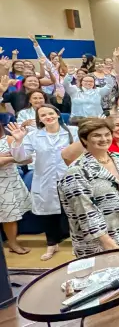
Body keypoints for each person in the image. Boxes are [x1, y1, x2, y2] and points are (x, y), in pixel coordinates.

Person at [58, 118, 119, 257]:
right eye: (96, 135)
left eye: (107, 134)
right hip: (99, 241)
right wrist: (107, 242)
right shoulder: (77, 171)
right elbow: (85, 212)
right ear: (84, 139)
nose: (104, 139)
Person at [8, 105, 76, 260]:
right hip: (45, 181)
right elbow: (20, 158)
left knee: (74, 213)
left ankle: (77, 243)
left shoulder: (72, 132)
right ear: (40, 119)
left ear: (58, 115)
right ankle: (52, 245)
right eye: (43, 115)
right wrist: (18, 141)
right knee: (48, 216)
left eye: (51, 113)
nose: (48, 117)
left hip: (70, 178)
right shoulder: (34, 135)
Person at [0, 123, 32, 254]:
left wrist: (5, 158)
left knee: (10, 216)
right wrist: (12, 158)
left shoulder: (8, 139)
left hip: (9, 183)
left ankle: (12, 243)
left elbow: (28, 159)